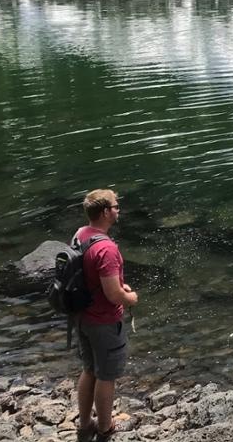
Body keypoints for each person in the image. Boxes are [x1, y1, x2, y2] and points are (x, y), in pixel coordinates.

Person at [74, 189, 138, 442]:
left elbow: (91, 277)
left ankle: (84, 424)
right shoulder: (107, 249)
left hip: (81, 316)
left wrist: (118, 287)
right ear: (105, 212)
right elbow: (113, 295)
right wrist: (129, 298)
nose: (118, 209)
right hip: (103, 320)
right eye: (115, 206)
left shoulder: (80, 234)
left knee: (89, 369)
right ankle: (104, 428)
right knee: (106, 375)